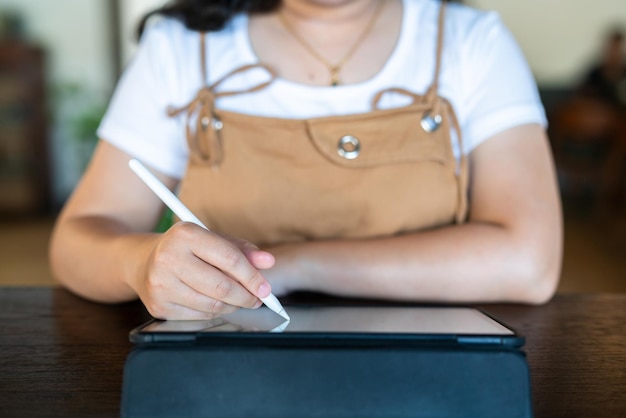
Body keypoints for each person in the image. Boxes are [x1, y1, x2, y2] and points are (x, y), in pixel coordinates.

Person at [49, 0, 563, 320]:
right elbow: (77, 241)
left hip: (426, 360)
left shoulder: (472, 43)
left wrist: (289, 265)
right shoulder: (183, 46)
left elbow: (529, 263)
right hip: (226, 360)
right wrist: (141, 263)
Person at [577, 28, 626, 110]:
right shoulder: (594, 75)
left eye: (617, 49)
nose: (614, 54)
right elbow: (582, 99)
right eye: (612, 49)